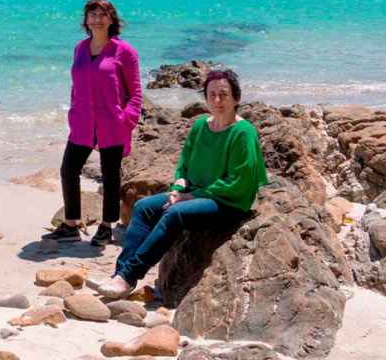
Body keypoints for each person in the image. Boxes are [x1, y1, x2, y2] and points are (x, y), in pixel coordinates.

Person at [97, 69, 268, 299]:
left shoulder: (243, 133)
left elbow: (239, 182)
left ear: (236, 98)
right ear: (205, 97)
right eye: (212, 94)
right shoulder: (200, 126)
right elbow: (184, 165)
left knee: (175, 213)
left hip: (228, 201)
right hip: (195, 194)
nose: (217, 100)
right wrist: (178, 189)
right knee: (143, 207)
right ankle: (120, 276)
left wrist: (191, 196)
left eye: (224, 94)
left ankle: (129, 275)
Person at [46, 0, 141, 246]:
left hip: (112, 123)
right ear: (86, 20)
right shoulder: (80, 48)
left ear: (112, 19)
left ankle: (106, 226)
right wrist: (72, 111)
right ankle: (70, 224)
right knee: (69, 170)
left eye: (102, 14)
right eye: (92, 14)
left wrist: (126, 119)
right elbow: (76, 84)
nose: (97, 19)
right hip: (82, 122)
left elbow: (135, 93)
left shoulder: (125, 51)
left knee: (110, 176)